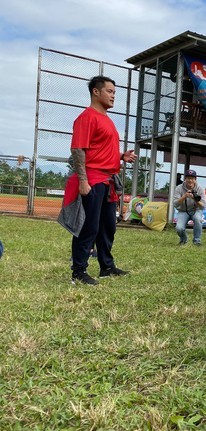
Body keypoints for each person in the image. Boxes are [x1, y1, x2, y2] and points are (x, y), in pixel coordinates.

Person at [65, 76, 137, 285]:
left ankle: (106, 266)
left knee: (108, 226)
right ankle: (78, 271)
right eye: (109, 91)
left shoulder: (107, 119)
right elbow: (78, 149)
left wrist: (121, 156)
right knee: (89, 227)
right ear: (96, 92)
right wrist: (83, 181)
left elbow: (100, 149)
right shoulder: (86, 117)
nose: (113, 95)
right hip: (93, 179)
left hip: (108, 181)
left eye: (114, 92)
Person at [173, 169, 206, 246]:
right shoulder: (179, 188)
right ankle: (183, 240)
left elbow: (203, 206)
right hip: (183, 211)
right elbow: (175, 204)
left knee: (198, 220)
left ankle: (197, 241)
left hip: (196, 210)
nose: (190, 180)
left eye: (192, 178)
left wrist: (195, 199)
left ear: (195, 179)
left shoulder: (200, 189)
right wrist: (184, 196)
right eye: (188, 178)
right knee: (179, 228)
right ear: (185, 179)